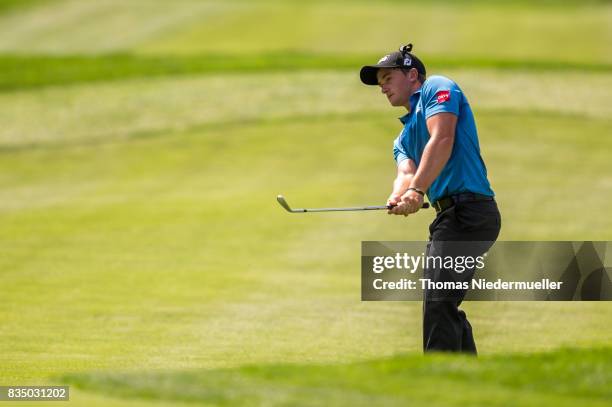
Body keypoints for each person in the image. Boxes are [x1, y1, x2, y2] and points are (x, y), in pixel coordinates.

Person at [360, 43, 501, 354]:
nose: (382, 87)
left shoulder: (437, 88)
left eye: (387, 78)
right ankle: (466, 377)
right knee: (441, 300)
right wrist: (400, 196)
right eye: (379, 82)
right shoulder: (402, 136)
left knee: (439, 299)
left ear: (412, 75)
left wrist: (417, 191)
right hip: (449, 218)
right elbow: (405, 173)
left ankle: (441, 377)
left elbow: (443, 138)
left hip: (472, 212)